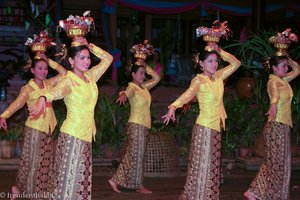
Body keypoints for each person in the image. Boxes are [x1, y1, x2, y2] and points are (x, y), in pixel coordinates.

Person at [28, 37, 113, 199]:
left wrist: (90, 46)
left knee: (80, 180)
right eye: (81, 57)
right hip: (72, 136)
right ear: (71, 61)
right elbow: (57, 91)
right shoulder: (68, 80)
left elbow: (108, 59)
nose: (87, 61)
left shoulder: (91, 77)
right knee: (67, 180)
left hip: (86, 135)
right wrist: (43, 98)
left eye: (88, 57)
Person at [162, 43, 241, 199]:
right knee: (202, 167)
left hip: (216, 128)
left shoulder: (219, 76)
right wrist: (173, 106)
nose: (214, 64)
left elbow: (236, 63)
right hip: (204, 129)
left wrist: (220, 51)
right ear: (201, 64)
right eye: (210, 61)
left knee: (212, 167)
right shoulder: (199, 80)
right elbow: (187, 94)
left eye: (216, 60)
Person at [0, 55, 67, 199]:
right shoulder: (28, 88)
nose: (43, 71)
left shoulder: (49, 84)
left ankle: (41, 191)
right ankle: (25, 190)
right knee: (31, 162)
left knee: (46, 161)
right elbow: (18, 103)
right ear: (32, 70)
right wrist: (4, 115)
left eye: (45, 68)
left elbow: (64, 74)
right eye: (40, 68)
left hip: (48, 127)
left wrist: (48, 60)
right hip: (35, 129)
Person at [244, 56, 300, 200]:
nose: (286, 69)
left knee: (277, 162)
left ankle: (253, 192)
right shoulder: (273, 82)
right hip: (276, 126)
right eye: (283, 66)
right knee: (277, 164)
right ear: (274, 68)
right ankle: (271, 195)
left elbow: (297, 69)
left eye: (286, 66)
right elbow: (274, 95)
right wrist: (273, 105)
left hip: (284, 126)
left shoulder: (284, 81)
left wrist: (287, 57)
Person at [108, 58, 161, 194]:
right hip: (136, 125)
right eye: (141, 73)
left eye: (144, 73)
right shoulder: (132, 87)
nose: (143, 76)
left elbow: (157, 78)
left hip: (143, 125)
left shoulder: (143, 87)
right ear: (133, 75)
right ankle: (134, 184)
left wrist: (146, 66)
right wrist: (123, 94)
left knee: (137, 156)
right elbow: (127, 91)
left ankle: (133, 183)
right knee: (134, 155)